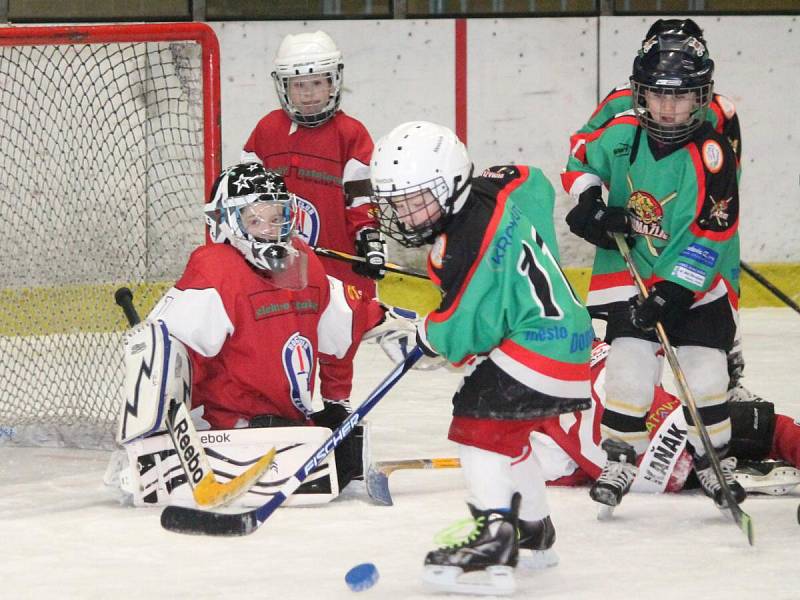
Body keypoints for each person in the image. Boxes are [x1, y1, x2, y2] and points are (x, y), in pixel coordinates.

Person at [370, 121, 593, 595]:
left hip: (538, 344)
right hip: (570, 335)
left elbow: (463, 326)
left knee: (477, 426)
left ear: (451, 184)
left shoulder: (463, 247)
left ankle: (494, 536)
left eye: (418, 199)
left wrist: (420, 338)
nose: (407, 215)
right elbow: (531, 180)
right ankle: (533, 530)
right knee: (509, 436)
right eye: (399, 203)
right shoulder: (491, 186)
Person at [114, 163, 390, 502]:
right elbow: (160, 353)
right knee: (332, 458)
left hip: (285, 425)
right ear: (227, 223)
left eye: (277, 218)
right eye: (254, 220)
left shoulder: (300, 265)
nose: (269, 231)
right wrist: (148, 444)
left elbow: (342, 324)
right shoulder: (217, 271)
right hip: (228, 429)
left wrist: (337, 398)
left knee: (347, 446)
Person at [562, 24, 744, 511]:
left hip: (694, 286)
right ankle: (620, 457)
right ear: (639, 92)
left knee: (706, 375)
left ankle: (714, 461)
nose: (667, 107)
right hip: (633, 271)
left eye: (681, 97)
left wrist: (678, 289)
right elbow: (581, 157)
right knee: (627, 369)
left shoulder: (713, 153)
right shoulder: (622, 128)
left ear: (701, 95)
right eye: (657, 96)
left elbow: (714, 230)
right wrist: (590, 203)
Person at [573, 18, 752, 403]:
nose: (668, 103)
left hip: (697, 224)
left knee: (710, 308)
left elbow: (725, 185)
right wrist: (590, 202)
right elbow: (584, 149)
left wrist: (694, 232)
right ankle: (642, 407)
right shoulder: (623, 101)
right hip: (637, 228)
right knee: (631, 351)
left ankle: (728, 369)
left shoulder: (721, 112)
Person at [241, 30, 384, 414]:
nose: (307, 93)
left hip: (337, 264)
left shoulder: (350, 134)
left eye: (316, 83)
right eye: (298, 84)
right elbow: (246, 197)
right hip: (285, 262)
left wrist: (369, 238)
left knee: (337, 340)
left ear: (333, 82)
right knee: (289, 339)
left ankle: (337, 410)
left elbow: (361, 197)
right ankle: (290, 410)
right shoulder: (267, 130)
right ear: (284, 87)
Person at [531, 340, 800, 497]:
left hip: (597, 395)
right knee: (759, 428)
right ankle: (729, 468)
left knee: (748, 428)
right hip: (596, 394)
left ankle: (728, 469)